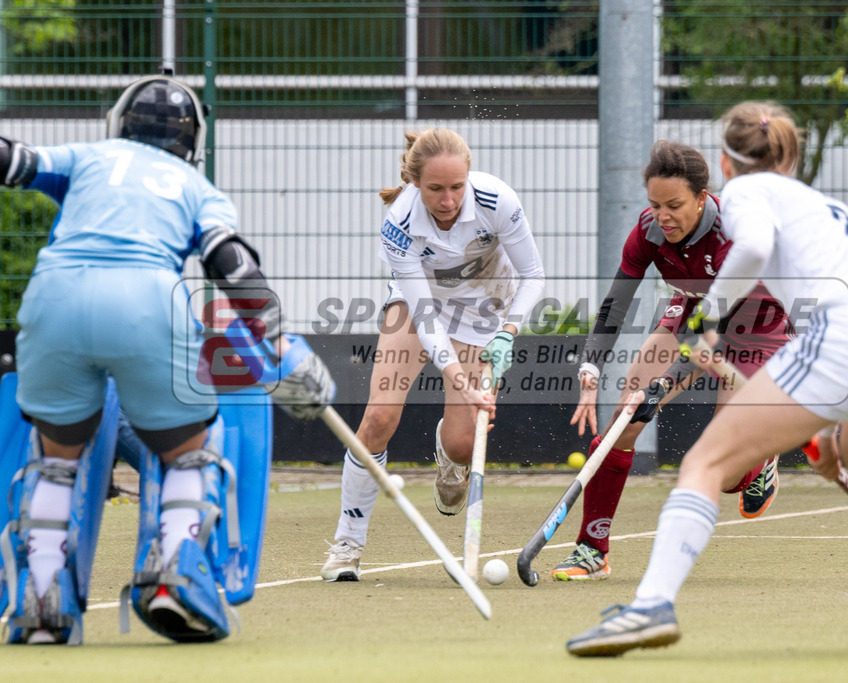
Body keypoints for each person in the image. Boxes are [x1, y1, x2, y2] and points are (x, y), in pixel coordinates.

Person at [565, 100, 848, 657]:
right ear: (788, 156)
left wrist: (708, 318)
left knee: (704, 464)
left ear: (724, 164)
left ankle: (650, 607)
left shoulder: (744, 194)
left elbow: (756, 250)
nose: (663, 214)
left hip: (810, 333)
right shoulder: (816, 201)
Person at [0, 74, 335, 644]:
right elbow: (231, 265)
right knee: (188, 452)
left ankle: (41, 599)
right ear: (192, 140)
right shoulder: (197, 186)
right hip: (148, 305)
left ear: (120, 121)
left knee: (57, 454)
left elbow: (12, 160)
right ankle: (173, 575)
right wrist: (282, 349)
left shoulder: (88, 156)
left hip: (53, 299)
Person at [550, 140, 792, 582]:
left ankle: (761, 462)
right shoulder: (648, 230)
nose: (662, 216)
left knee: (726, 472)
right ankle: (591, 549)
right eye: (655, 204)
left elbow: (711, 338)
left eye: (675, 205)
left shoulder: (734, 239)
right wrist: (590, 367)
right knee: (626, 416)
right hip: (693, 311)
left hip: (756, 327)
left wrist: (661, 386)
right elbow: (615, 306)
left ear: (703, 198)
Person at [320, 128, 545, 582]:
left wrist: (508, 331)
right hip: (419, 303)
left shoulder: (497, 200)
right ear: (415, 184)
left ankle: (448, 455)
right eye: (435, 190)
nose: (447, 201)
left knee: (465, 444)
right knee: (379, 418)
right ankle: (348, 543)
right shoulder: (399, 224)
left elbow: (534, 275)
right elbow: (425, 319)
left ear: (469, 177)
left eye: (456, 187)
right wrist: (456, 375)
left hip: (484, 307)